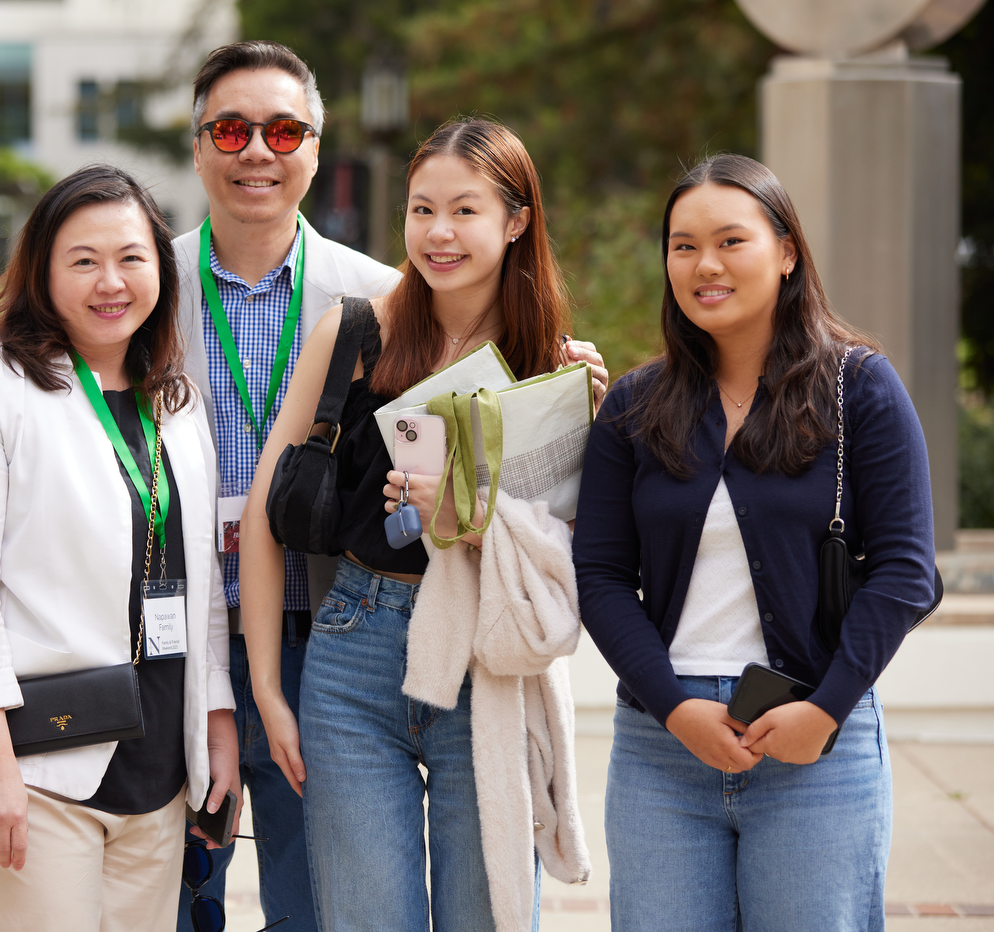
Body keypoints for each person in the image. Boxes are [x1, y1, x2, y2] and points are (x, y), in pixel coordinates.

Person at [241, 118, 608, 932]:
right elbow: (268, 521)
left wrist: (597, 416)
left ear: (517, 220)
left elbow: (578, 552)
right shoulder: (354, 333)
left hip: (488, 656)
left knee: (486, 914)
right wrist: (269, 688)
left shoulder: (556, 366)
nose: (438, 234)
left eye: (465, 211)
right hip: (354, 654)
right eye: (421, 210)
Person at [571, 153, 937, 932]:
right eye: (682, 245)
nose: (705, 265)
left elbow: (905, 573)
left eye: (731, 241)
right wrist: (674, 710)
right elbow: (600, 577)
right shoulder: (634, 407)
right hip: (661, 754)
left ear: (787, 251)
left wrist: (827, 710)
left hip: (814, 745)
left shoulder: (860, 389)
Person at [0, 164, 238, 932]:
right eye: (83, 260)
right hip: (35, 764)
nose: (111, 281)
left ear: (161, 266)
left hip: (159, 766)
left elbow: (199, 577)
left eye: (131, 257)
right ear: (43, 271)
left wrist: (217, 724)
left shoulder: (177, 400)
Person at [172, 40, 398, 932]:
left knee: (315, 906)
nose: (256, 152)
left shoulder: (381, 299)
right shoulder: (137, 286)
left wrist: (567, 367)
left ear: (315, 145)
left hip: (321, 641)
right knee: (179, 900)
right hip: (168, 640)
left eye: (282, 129)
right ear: (199, 148)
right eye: (230, 130)